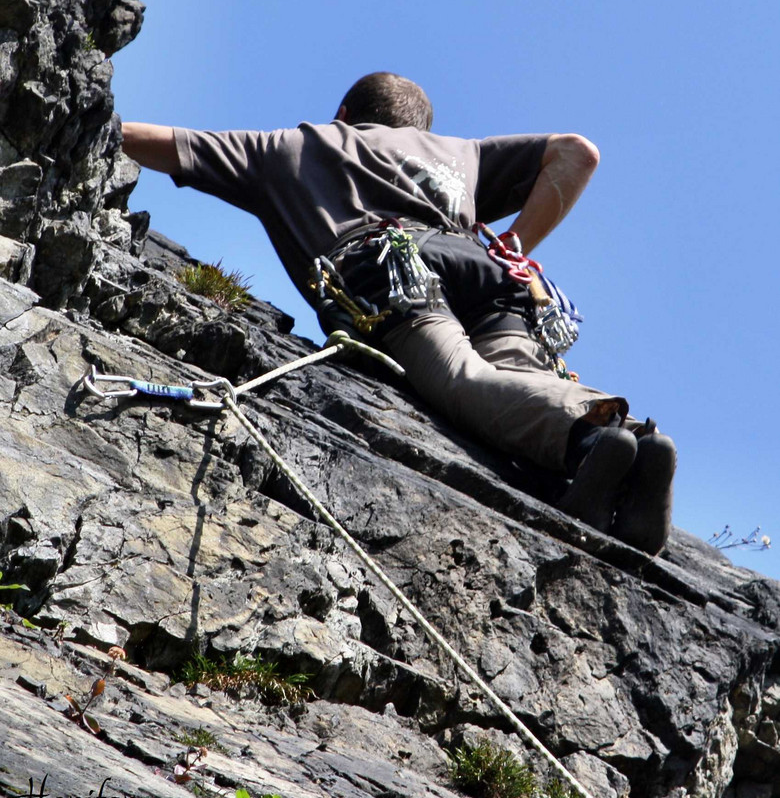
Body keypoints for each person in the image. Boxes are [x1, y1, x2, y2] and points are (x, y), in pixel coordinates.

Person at [121, 72, 676, 554]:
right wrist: (516, 244)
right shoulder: (461, 153)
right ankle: (635, 442)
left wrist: (96, 123)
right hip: (487, 273)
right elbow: (579, 152)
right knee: (523, 373)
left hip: (393, 270)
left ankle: (590, 437)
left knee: (463, 379)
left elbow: (154, 141)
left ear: (345, 112)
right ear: (420, 128)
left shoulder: (295, 145)